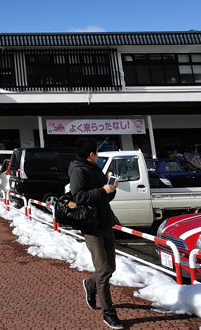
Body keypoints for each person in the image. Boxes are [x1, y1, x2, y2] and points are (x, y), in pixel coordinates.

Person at [69, 137, 123, 330]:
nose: (98, 156)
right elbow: (79, 197)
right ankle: (108, 313)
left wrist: (111, 188)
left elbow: (105, 196)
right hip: (91, 227)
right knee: (102, 271)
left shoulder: (95, 169)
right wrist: (102, 189)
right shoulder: (78, 171)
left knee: (110, 268)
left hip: (106, 223)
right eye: (97, 153)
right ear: (91, 154)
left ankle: (90, 285)